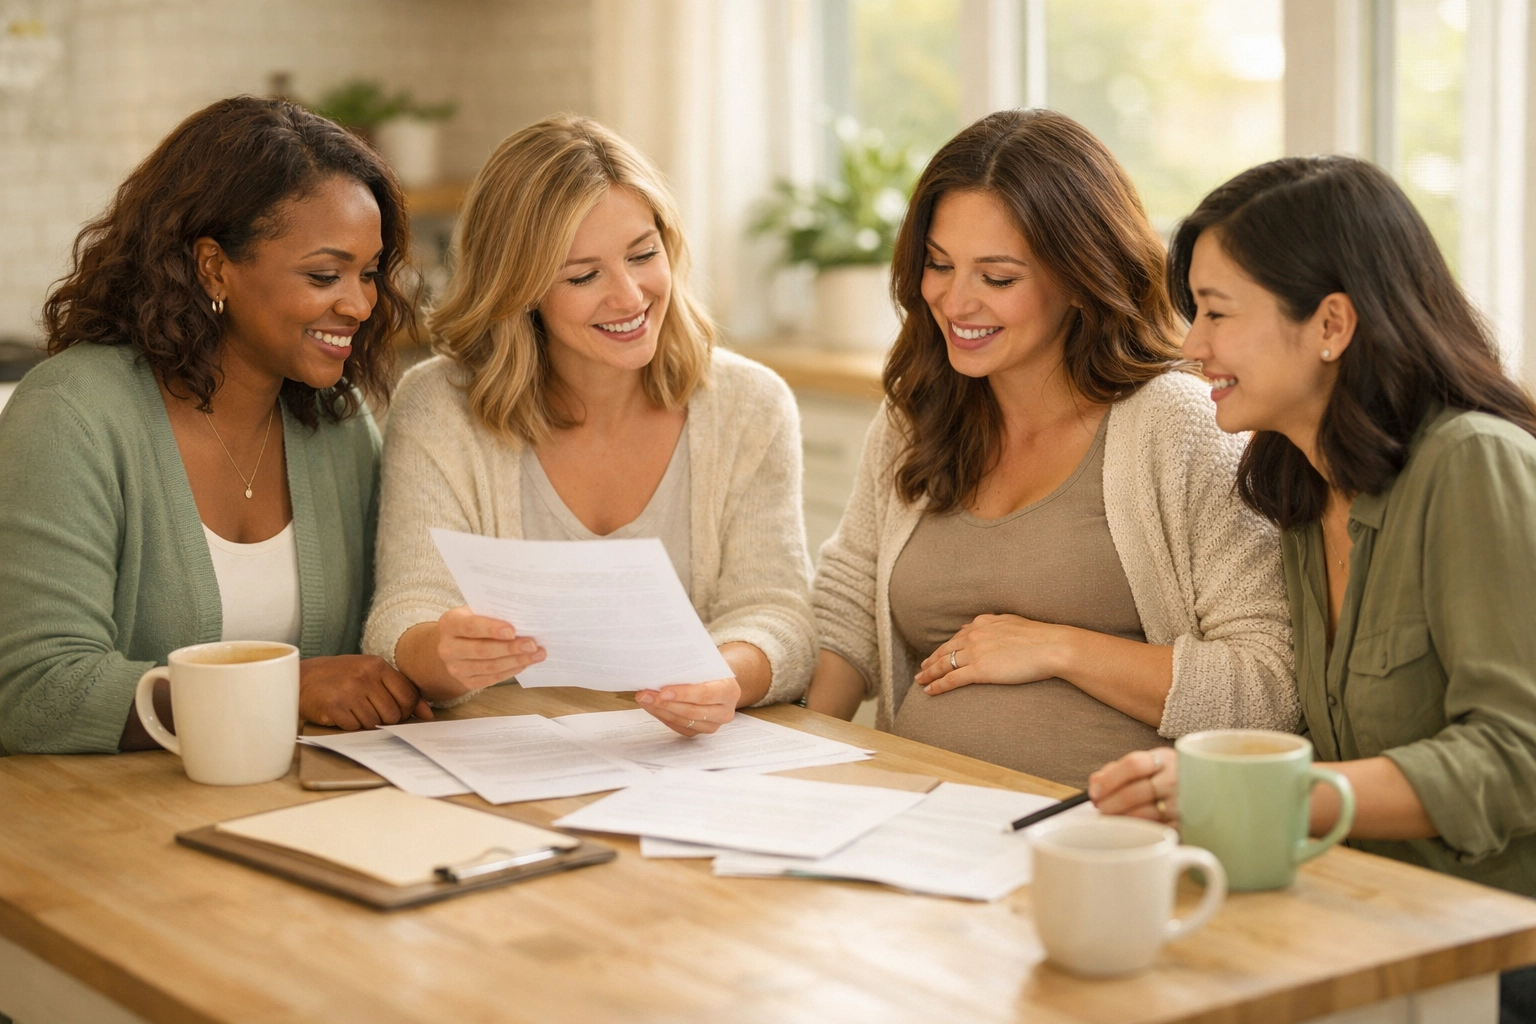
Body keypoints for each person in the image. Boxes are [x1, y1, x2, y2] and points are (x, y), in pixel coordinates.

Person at [1087, 155, 1536, 1019]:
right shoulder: (1298, 489)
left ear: (1331, 323)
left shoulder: (1475, 466)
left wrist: (1261, 795)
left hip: (1490, 960)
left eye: (1216, 312)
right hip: (1360, 927)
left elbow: (1516, 760)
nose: (1192, 347)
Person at [804, 109, 1296, 787]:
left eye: (998, 278)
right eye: (939, 265)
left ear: (1079, 275)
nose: (955, 301)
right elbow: (847, 613)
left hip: (1099, 837)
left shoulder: (1180, 425)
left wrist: (1057, 648)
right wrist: (780, 758)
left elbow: (1271, 688)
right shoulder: (918, 413)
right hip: (907, 813)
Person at [0, 97, 431, 756]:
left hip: (294, 809)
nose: (360, 303)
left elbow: (377, 646)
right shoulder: (71, 415)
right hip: (104, 831)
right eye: (325, 274)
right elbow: (35, 692)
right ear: (214, 266)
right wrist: (282, 692)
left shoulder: (338, 424)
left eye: (369, 273)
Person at [363, 115, 815, 733]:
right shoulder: (439, 407)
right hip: (505, 760)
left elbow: (777, 612)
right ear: (520, 290)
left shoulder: (749, 405)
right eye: (583, 275)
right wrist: (444, 652)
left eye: (643, 254)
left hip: (682, 764)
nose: (629, 297)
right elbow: (405, 612)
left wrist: (720, 678)